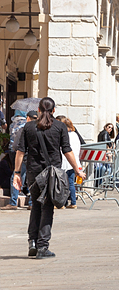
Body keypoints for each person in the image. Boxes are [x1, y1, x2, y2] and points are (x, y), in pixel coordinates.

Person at [13, 97, 84, 258]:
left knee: (35, 206)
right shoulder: (59, 127)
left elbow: (20, 151)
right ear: (53, 111)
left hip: (34, 172)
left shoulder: (29, 127)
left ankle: (32, 241)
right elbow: (67, 150)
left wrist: (17, 173)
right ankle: (42, 246)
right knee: (47, 207)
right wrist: (77, 169)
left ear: (38, 110)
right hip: (52, 173)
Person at [3, 110, 31, 210]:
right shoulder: (31, 126)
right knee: (31, 177)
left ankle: (13, 201)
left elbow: (15, 143)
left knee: (16, 175)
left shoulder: (12, 124)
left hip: (17, 152)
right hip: (30, 154)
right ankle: (31, 202)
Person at [55, 116, 84, 209]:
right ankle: (73, 202)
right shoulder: (75, 135)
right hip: (74, 161)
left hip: (65, 161)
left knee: (61, 182)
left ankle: (62, 203)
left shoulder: (65, 135)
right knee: (70, 183)